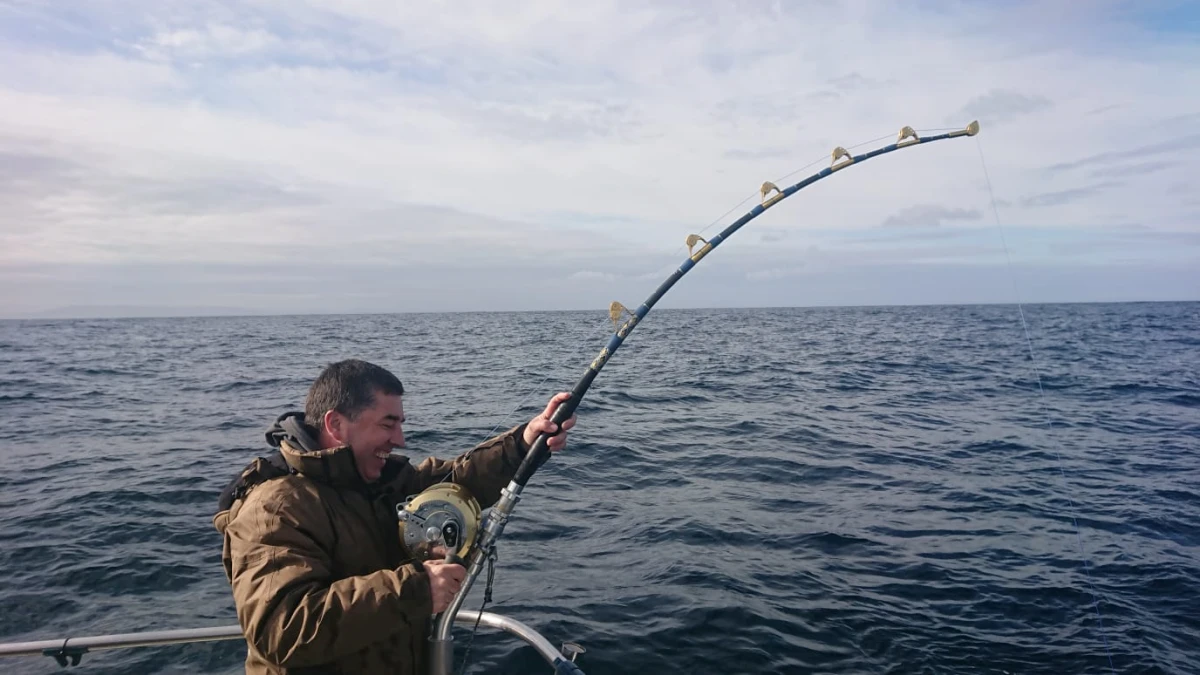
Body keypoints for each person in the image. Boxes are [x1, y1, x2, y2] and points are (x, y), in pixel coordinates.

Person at [213, 359, 576, 675]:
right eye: (388, 425)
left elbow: (454, 482)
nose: (400, 439)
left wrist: (524, 443)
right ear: (336, 425)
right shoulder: (276, 506)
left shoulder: (376, 481)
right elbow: (282, 628)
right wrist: (417, 589)